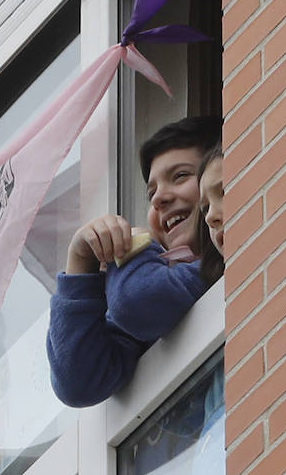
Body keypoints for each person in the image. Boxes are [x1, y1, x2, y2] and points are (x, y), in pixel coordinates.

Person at [46, 116, 222, 407]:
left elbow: (137, 302)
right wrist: (79, 264)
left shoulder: (217, 266)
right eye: (151, 193)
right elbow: (78, 382)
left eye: (180, 176)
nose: (159, 200)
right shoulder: (167, 282)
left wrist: (132, 249)